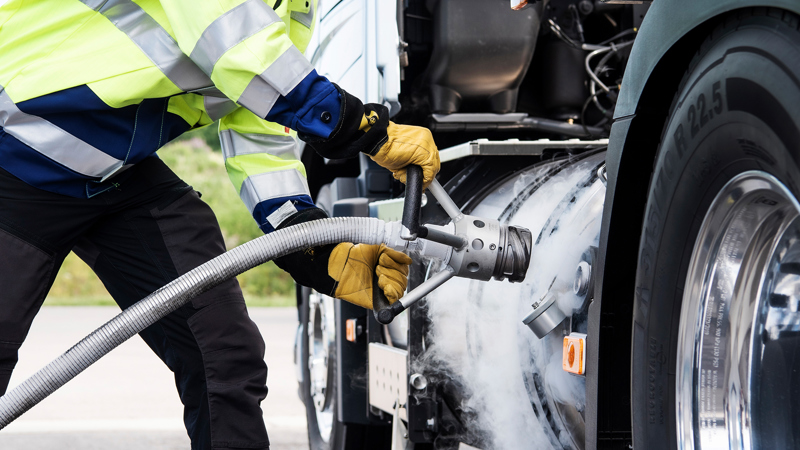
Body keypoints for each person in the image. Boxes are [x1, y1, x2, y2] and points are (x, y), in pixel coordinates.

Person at [0, 1, 440, 449]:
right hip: (14, 142)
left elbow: (257, 120)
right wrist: (361, 129)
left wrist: (308, 243)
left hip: (115, 168)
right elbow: (229, 36)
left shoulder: (296, 8)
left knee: (223, 354)